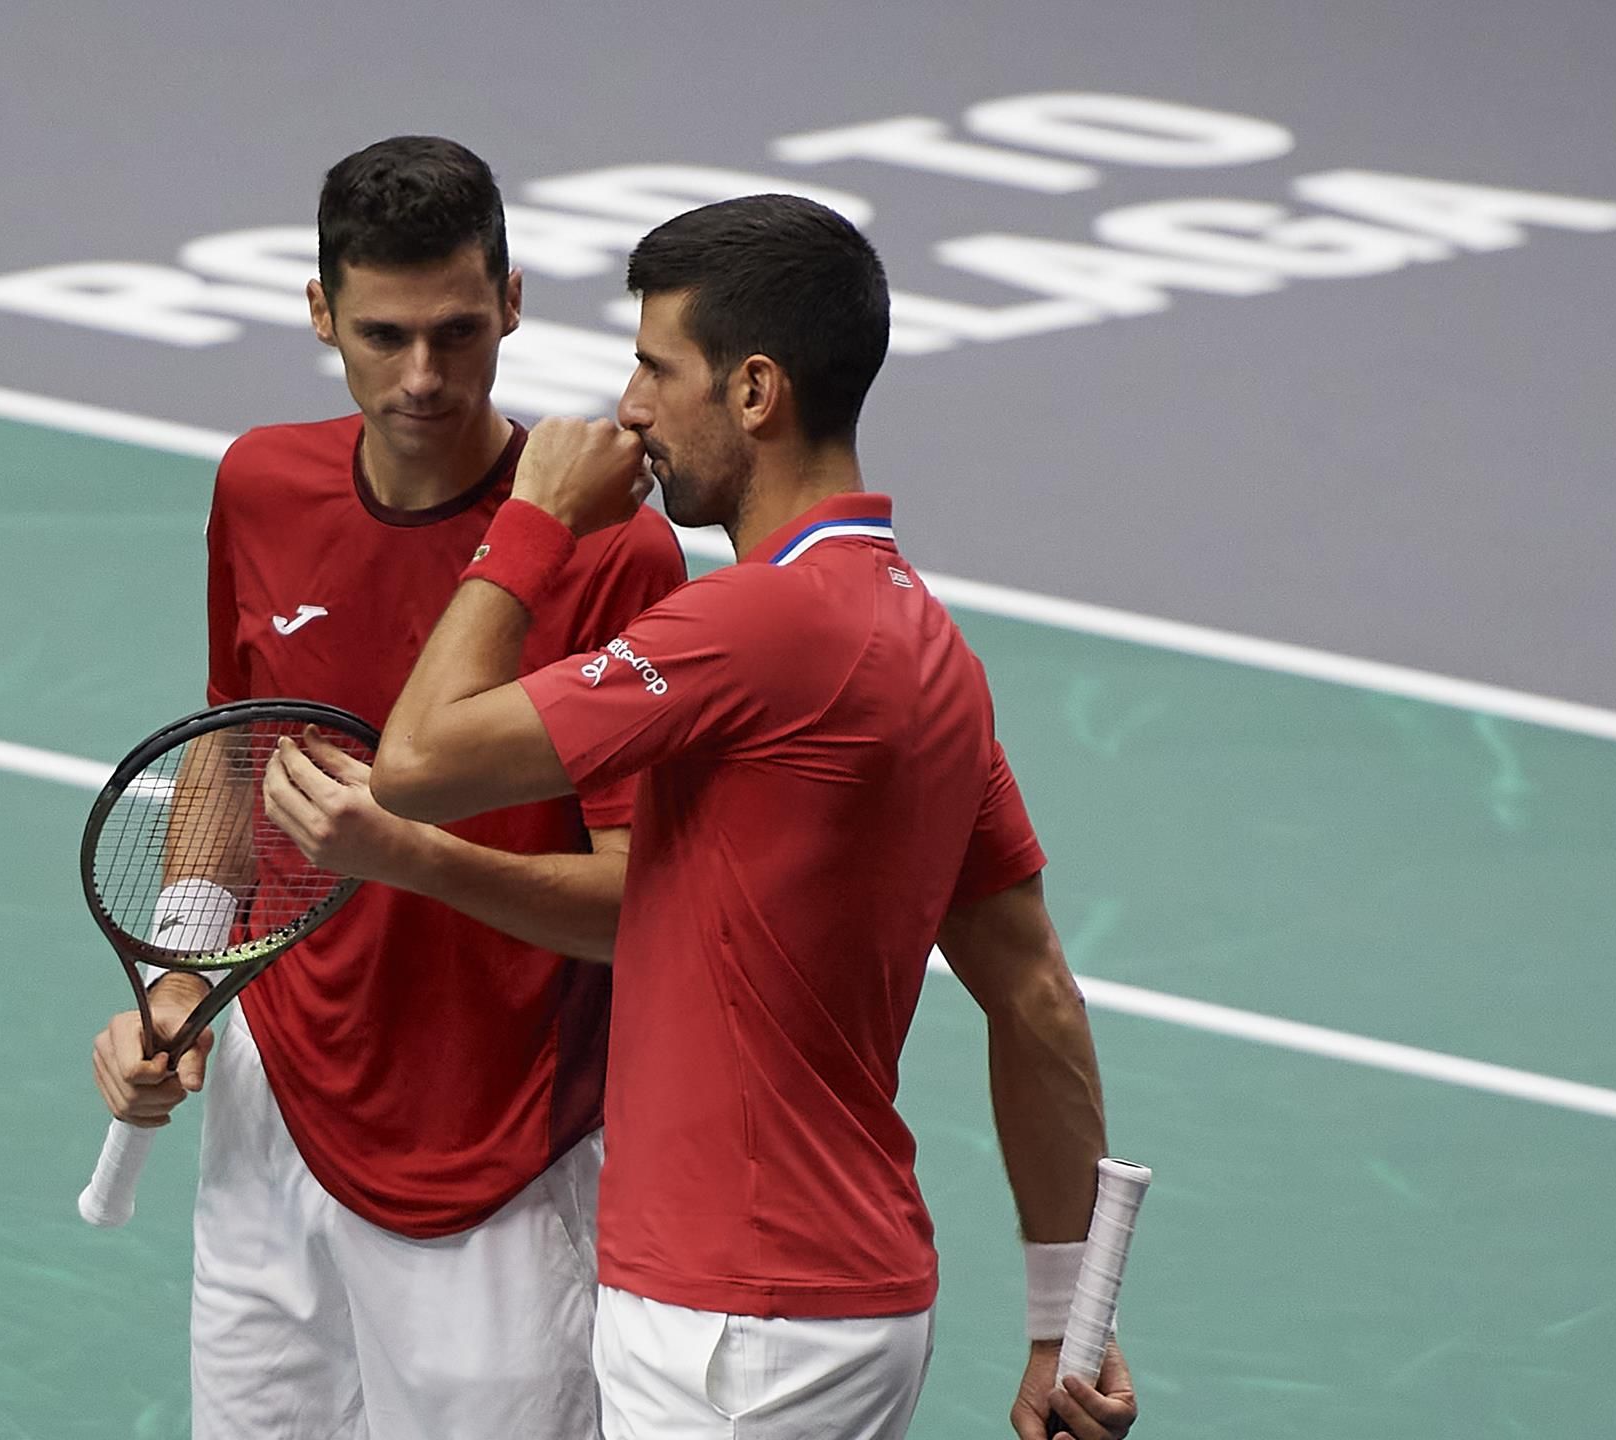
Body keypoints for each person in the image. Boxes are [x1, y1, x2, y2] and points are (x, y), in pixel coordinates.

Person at [370, 194, 1142, 1440]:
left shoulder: (753, 628)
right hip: (820, 1301)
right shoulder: (923, 644)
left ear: (754, 391)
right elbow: (1035, 994)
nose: (627, 407)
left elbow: (415, 759)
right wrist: (1067, 1319)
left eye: (653, 367)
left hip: (738, 1333)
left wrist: (533, 524)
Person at [85, 135, 686, 1439]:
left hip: (498, 1161)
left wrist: (405, 853)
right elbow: (231, 749)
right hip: (274, 1116)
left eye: (460, 332)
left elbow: (645, 907)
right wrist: (180, 979)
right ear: (320, 315)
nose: (423, 376)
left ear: (514, 304)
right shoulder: (262, 485)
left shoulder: (613, 555)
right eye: (384, 335)